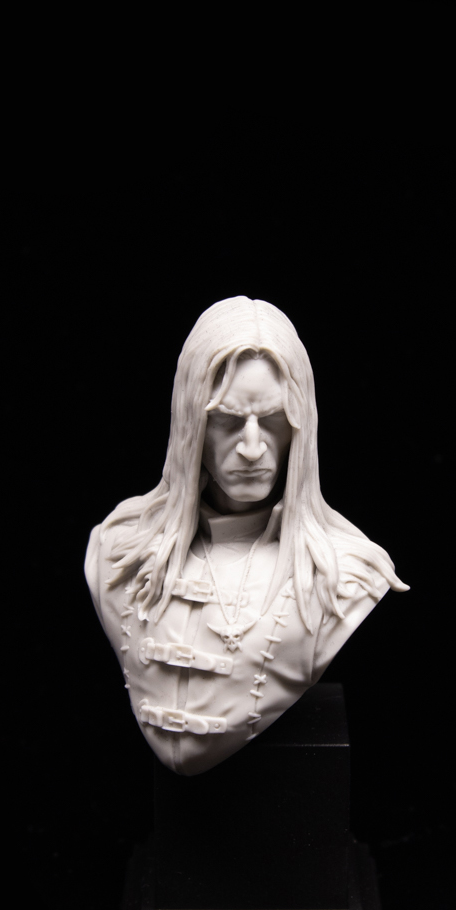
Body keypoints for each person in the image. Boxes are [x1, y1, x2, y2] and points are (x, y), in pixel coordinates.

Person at [85, 296, 408, 776]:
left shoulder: (346, 576)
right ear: (191, 426)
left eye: (273, 421)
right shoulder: (116, 550)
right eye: (227, 421)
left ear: (300, 428)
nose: (253, 448)